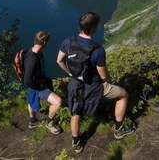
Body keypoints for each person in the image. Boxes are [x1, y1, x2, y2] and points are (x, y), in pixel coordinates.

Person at [56, 12, 135, 154]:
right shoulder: (97, 50)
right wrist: (108, 82)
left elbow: (59, 60)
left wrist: (70, 73)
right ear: (93, 28)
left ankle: (76, 142)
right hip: (94, 87)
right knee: (123, 95)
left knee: (76, 111)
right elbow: (103, 74)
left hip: (75, 84)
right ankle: (118, 129)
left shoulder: (68, 41)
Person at [24, 31, 62, 135]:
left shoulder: (30, 51)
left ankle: (32, 121)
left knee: (31, 99)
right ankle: (49, 123)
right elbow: (27, 80)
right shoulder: (33, 59)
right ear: (44, 42)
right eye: (47, 42)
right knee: (58, 102)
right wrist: (39, 87)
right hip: (37, 85)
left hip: (35, 83)